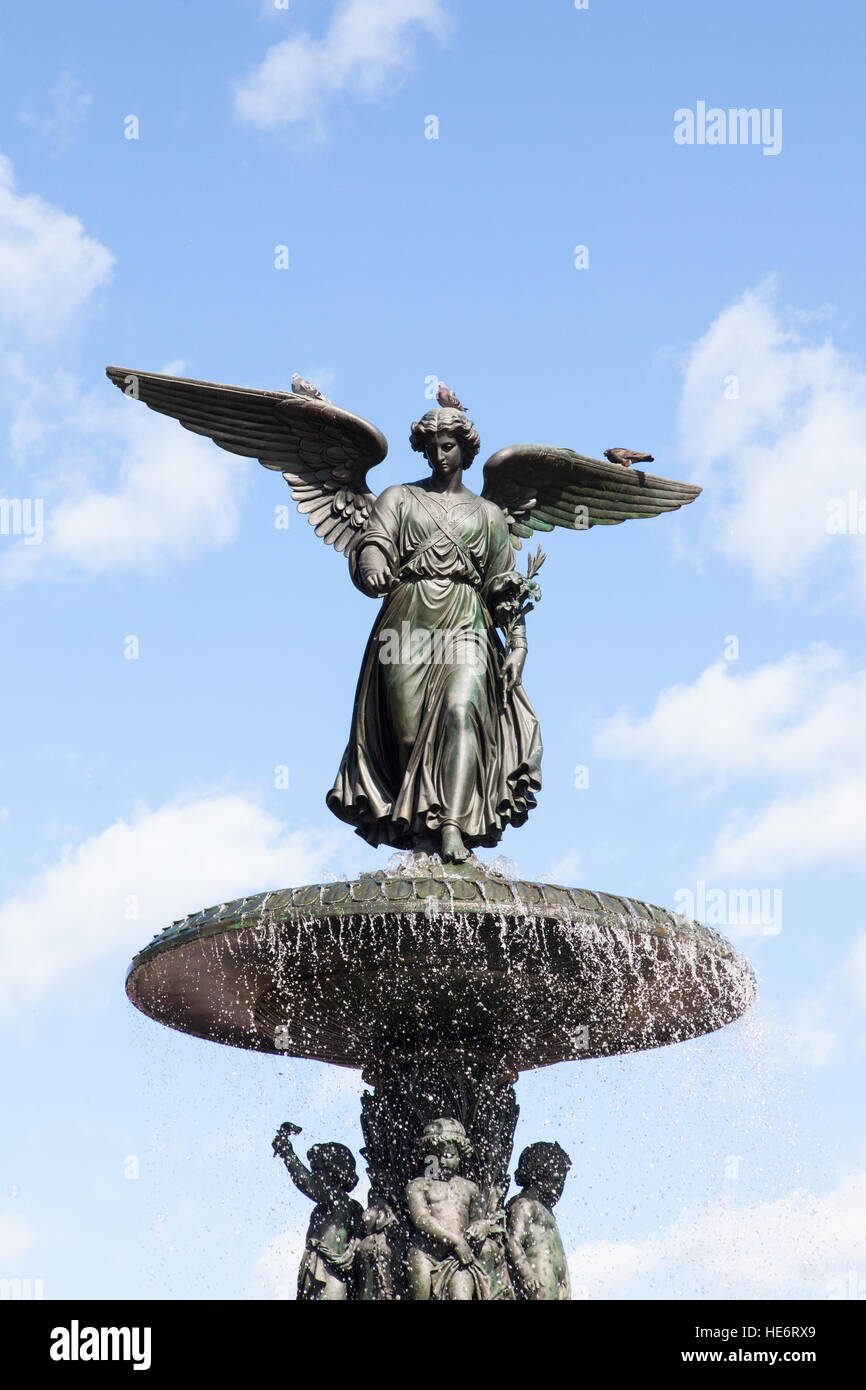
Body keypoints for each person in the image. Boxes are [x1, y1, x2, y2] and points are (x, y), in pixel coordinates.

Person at [327, 406, 542, 864]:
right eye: (432, 448)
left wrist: (519, 643)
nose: (440, 456)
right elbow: (375, 542)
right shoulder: (399, 498)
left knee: (462, 710)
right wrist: (372, 568)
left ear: (465, 449)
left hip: (468, 620)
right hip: (407, 620)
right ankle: (419, 829)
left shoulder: (488, 515)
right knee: (407, 733)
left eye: (449, 447)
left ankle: (452, 826)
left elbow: (503, 585)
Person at [405, 1117, 498, 1299]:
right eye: (436, 1155)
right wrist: (456, 1241)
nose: (442, 1161)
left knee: (461, 1294)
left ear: (460, 1155)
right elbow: (421, 1219)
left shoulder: (470, 1188)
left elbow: (477, 1218)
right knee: (420, 1291)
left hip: (456, 1256)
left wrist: (482, 1226)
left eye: (448, 1155)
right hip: (426, 1253)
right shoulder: (418, 1186)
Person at [272, 1123, 363, 1301]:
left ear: (333, 1171)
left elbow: (307, 1183)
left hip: (330, 1274)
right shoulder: (350, 1206)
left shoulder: (337, 1200)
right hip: (324, 1271)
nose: (315, 1175)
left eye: (319, 1170)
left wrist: (286, 1152)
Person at [505, 1141, 572, 1300]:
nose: (560, 1188)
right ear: (539, 1174)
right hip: (539, 1280)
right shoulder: (524, 1205)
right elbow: (513, 1241)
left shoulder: (547, 1212)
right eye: (557, 1180)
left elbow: (558, 1250)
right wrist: (526, 1273)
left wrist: (566, 1281)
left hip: (555, 1284)